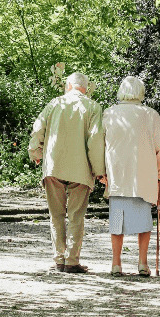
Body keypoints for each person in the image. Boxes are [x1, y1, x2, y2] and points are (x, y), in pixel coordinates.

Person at [28, 72, 105, 273]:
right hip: (81, 169)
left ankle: (59, 259)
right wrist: (99, 171)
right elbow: (96, 140)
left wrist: (36, 153)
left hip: (53, 166)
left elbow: (38, 130)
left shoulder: (54, 104)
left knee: (56, 215)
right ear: (86, 88)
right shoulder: (93, 107)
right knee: (76, 216)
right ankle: (71, 261)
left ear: (68, 86)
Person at [99, 76, 160, 277]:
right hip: (143, 176)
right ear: (141, 92)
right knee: (144, 221)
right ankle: (142, 263)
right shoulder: (150, 115)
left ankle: (116, 264)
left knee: (116, 221)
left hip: (117, 174)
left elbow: (100, 145)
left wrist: (101, 171)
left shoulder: (109, 113)